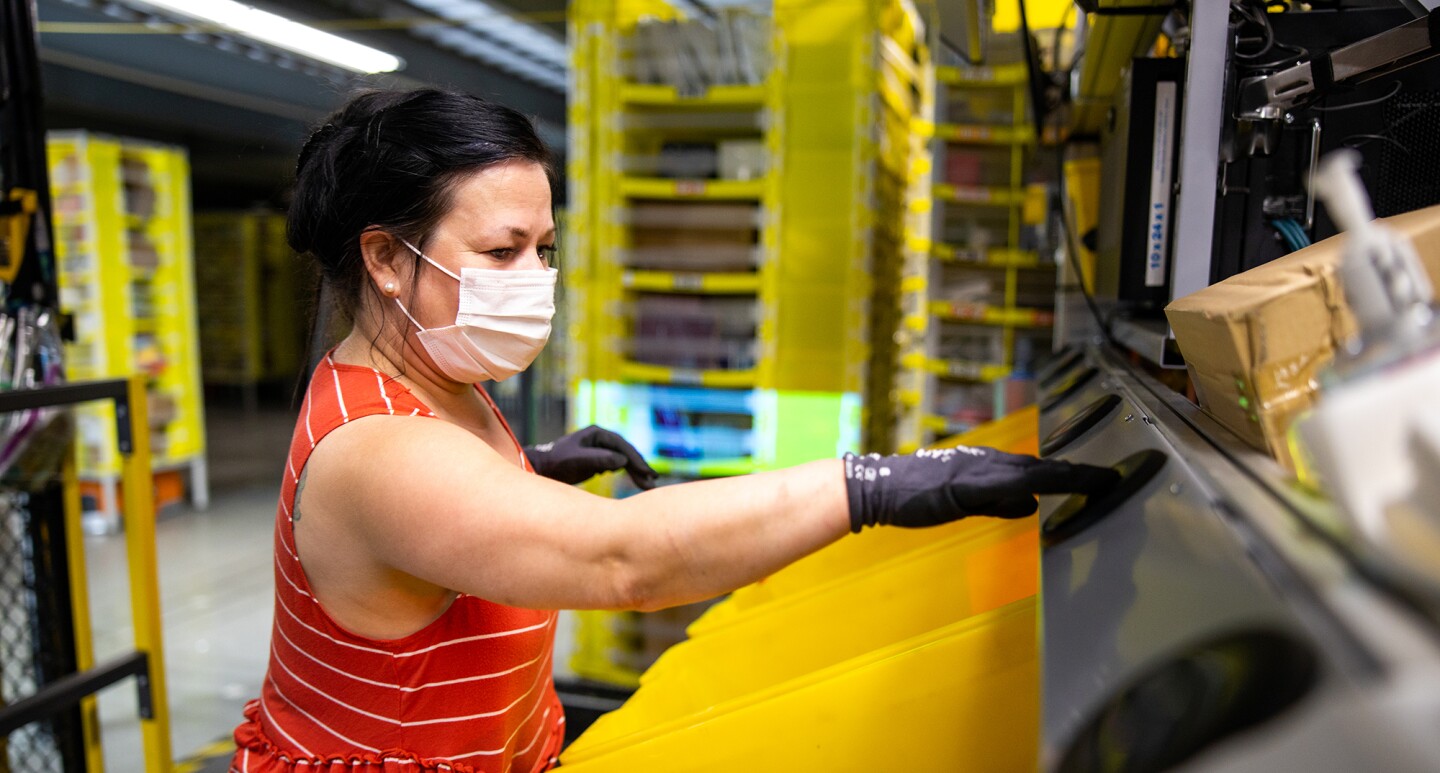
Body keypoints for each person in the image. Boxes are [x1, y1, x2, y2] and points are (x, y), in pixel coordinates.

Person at [230, 88, 1117, 773]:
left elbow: (421, 525)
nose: (534, 276)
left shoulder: (425, 374)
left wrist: (525, 469)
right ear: (387, 258)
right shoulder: (381, 448)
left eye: (544, 247)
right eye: (502, 252)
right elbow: (623, 560)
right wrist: (871, 484)